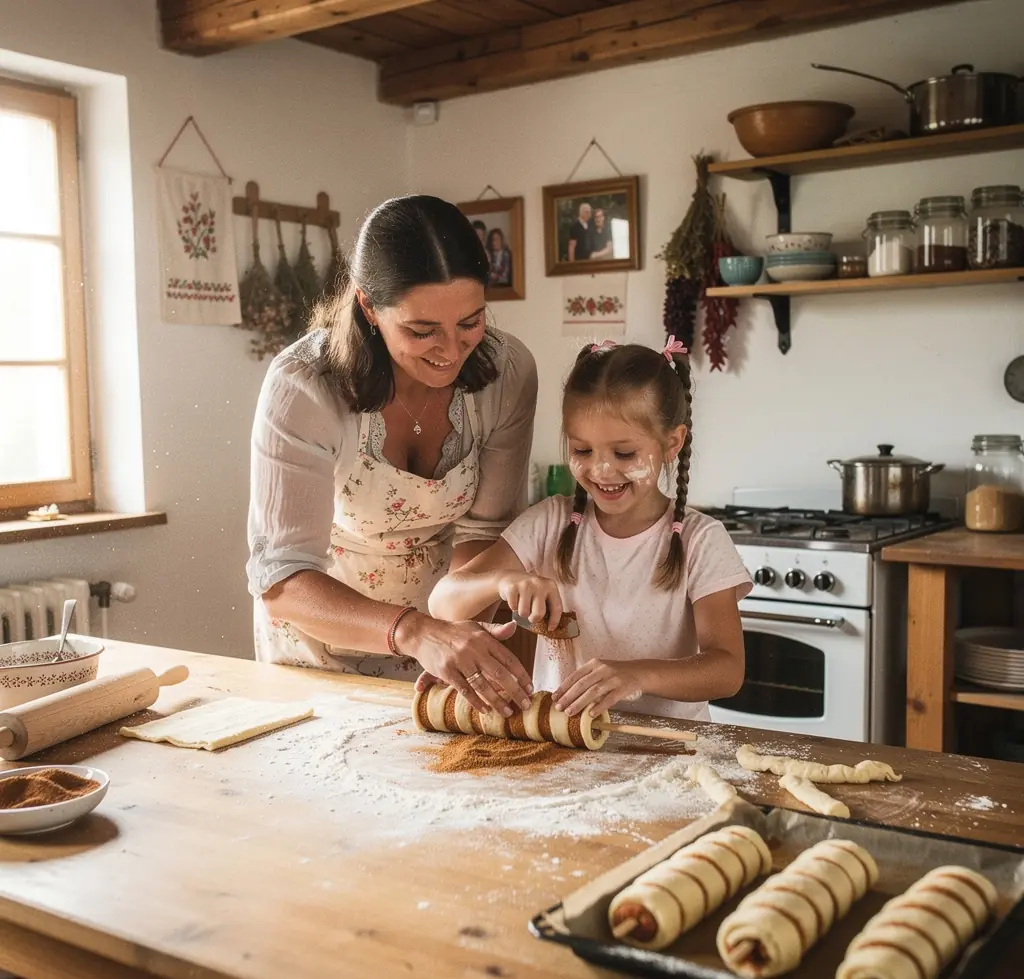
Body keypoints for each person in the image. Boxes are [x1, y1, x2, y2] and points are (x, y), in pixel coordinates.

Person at [247, 195, 537, 717]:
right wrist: (412, 629)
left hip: (442, 644)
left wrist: (458, 621)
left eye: (470, 322)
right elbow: (283, 580)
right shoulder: (304, 388)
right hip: (322, 640)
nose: (451, 350)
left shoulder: (507, 373)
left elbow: (482, 532)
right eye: (421, 331)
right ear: (367, 308)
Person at [428, 340, 751, 721]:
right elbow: (442, 602)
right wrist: (501, 582)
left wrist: (635, 675)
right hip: (566, 747)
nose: (600, 471)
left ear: (671, 443)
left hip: (671, 753)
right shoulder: (549, 523)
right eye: (582, 451)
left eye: (624, 454)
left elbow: (727, 670)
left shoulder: (701, 541)